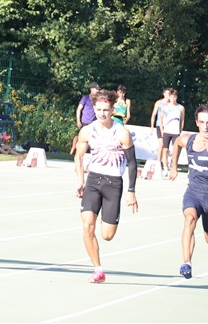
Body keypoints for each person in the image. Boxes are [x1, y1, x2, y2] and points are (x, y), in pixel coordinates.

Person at [73, 90, 138, 283]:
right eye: (98, 109)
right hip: (93, 181)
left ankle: (107, 216)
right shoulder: (87, 130)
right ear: (94, 109)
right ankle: (98, 269)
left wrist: (131, 191)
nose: (102, 113)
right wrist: (80, 181)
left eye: (105, 110)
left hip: (113, 184)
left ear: (112, 110)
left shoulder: (122, 133)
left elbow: (132, 163)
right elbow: (78, 156)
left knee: (107, 235)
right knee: (87, 225)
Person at [168, 103, 208, 279]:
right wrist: (173, 167)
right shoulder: (188, 139)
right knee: (189, 219)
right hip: (193, 192)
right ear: (196, 122)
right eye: (202, 122)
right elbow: (177, 144)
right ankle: (186, 263)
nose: (205, 127)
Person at [158, 89, 185, 177]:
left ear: (176, 97)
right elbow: (160, 119)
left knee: (175, 150)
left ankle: (173, 165)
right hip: (166, 131)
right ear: (169, 97)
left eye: (174, 97)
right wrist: (162, 130)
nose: (173, 99)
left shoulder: (180, 108)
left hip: (175, 132)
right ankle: (165, 167)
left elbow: (182, 120)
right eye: (171, 97)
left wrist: (180, 130)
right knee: (165, 149)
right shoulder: (165, 107)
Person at [70, 82, 100, 155]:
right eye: (96, 89)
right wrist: (78, 121)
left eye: (98, 89)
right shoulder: (85, 98)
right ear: (91, 89)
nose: (98, 90)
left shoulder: (98, 99)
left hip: (93, 123)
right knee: (79, 136)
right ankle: (73, 148)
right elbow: (79, 109)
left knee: (92, 138)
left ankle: (87, 153)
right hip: (84, 121)